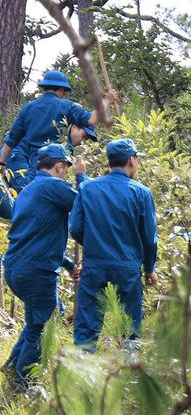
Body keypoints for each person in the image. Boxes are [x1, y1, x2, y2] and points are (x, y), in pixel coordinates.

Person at [3, 144, 87, 383]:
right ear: (59, 166)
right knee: (43, 325)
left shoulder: (28, 191)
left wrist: (68, 265)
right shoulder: (53, 186)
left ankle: (11, 367)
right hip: (35, 271)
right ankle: (23, 383)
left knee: (45, 316)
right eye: (66, 168)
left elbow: (37, 237)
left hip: (16, 267)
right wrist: (81, 176)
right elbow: (87, 203)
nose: (67, 173)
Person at [69, 138, 159, 348]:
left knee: (86, 331)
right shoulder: (142, 193)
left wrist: (93, 245)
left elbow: (75, 228)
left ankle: (81, 367)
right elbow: (149, 238)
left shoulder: (88, 188)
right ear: (132, 160)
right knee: (129, 331)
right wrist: (149, 268)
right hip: (127, 269)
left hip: (94, 267)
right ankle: (128, 367)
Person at [1, 71, 114, 192]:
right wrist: (107, 101)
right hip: (56, 167)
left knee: (35, 194)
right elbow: (91, 120)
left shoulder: (28, 108)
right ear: (61, 89)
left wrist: (1, 163)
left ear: (44, 88)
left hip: (36, 165)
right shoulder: (67, 106)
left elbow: (11, 140)